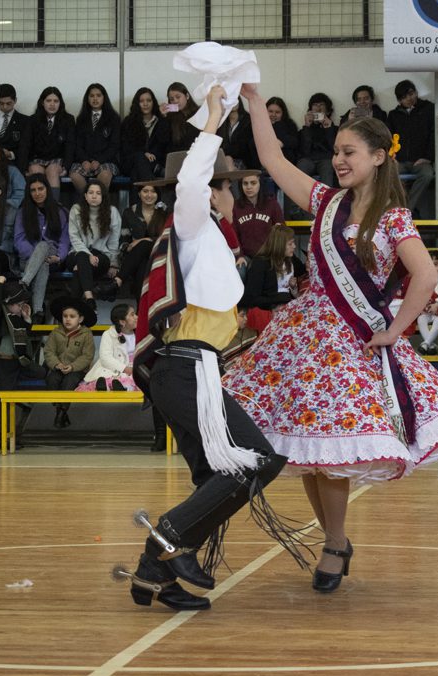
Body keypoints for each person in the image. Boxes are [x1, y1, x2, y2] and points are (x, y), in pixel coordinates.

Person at [224, 80, 438, 593]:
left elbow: (425, 276)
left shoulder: (393, 217)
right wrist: (254, 104)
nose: (339, 160)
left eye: (349, 152)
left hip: (352, 343)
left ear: (377, 157)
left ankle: (334, 541)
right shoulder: (324, 201)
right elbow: (272, 159)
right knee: (310, 453)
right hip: (306, 337)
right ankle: (336, 541)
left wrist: (395, 330)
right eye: (337, 151)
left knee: (331, 450)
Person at [129, 85, 303, 611]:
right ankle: (168, 538)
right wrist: (213, 117)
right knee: (258, 460)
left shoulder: (211, 241)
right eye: (224, 185)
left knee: (219, 474)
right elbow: (190, 181)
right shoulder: (190, 224)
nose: (230, 194)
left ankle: (154, 574)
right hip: (185, 371)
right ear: (207, 190)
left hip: (192, 372)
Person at [0, 277, 44, 445]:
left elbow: (26, 338)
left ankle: (23, 406)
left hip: (19, 362)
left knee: (43, 373)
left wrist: (27, 319)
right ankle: (2, 435)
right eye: (18, 304)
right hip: (3, 364)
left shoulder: (17, 318)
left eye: (23, 304)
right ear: (7, 303)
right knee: (5, 398)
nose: (21, 307)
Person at [15, 174, 70, 318]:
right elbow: (19, 240)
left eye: (41, 189)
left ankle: (24, 283)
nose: (37, 193)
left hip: (53, 259)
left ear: (47, 189)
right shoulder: (23, 212)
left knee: (44, 246)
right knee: (42, 257)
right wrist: (36, 256)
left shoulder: (61, 211)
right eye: (33, 190)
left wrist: (59, 257)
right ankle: (38, 310)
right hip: (28, 259)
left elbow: (65, 240)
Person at [240, 223, 305, 333]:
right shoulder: (260, 263)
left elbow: (304, 270)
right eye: (290, 244)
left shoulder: (291, 260)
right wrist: (278, 301)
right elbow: (251, 298)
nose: (294, 246)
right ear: (280, 245)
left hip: (288, 309)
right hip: (266, 311)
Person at [67, 179, 121, 309]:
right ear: (85, 196)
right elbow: (74, 237)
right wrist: (88, 255)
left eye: (98, 193)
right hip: (76, 252)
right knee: (81, 257)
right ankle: (89, 297)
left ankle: (74, 309)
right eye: (91, 193)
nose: (94, 196)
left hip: (101, 256)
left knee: (79, 269)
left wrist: (114, 264)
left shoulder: (112, 212)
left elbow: (114, 241)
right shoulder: (76, 209)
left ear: (103, 196)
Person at [386, 80, 436, 218]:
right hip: (399, 160)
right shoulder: (393, 115)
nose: (409, 98)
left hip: (421, 160)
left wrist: (428, 157)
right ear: (399, 100)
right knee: (387, 174)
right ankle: (400, 210)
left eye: (411, 94)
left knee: (427, 174)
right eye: (404, 97)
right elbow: (388, 139)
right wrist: (392, 158)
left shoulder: (428, 109)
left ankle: (406, 209)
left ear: (416, 93)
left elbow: (434, 135)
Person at [44, 296, 95, 429]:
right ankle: (60, 409)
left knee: (69, 382)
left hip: (77, 370)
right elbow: (49, 351)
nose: (67, 319)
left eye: (72, 316)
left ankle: (62, 411)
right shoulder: (56, 333)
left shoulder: (86, 334)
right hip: (58, 368)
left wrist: (72, 366)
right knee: (52, 380)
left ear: (80, 319)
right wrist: (57, 364)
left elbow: (87, 356)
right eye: (65, 316)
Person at [117, 181, 167, 299]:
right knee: (142, 266)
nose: (149, 195)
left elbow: (166, 237)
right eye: (145, 191)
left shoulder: (165, 212)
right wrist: (127, 247)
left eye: (153, 191)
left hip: (160, 253)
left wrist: (144, 240)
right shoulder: (129, 212)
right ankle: (141, 308)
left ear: (158, 194)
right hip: (137, 256)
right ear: (139, 194)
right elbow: (124, 239)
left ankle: (118, 280)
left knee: (144, 244)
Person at [26, 86, 75, 203]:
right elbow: (25, 144)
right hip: (37, 158)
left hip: (57, 159)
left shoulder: (68, 119)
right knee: (35, 171)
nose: (52, 104)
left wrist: (66, 167)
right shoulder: (33, 120)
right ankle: (37, 208)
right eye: (48, 101)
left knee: (52, 171)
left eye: (56, 101)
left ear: (60, 103)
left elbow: (70, 145)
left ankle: (53, 207)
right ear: (42, 102)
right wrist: (24, 167)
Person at [69, 83, 121, 194]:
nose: (95, 99)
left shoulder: (113, 118)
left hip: (106, 160)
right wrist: (84, 160)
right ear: (87, 98)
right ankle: (86, 201)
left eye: (98, 95)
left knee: (105, 175)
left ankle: (100, 203)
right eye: (92, 96)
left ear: (104, 98)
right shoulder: (81, 119)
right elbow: (77, 144)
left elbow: (114, 145)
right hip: (85, 161)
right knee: (74, 175)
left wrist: (99, 160)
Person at [79, 303, 138, 392]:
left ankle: (123, 387)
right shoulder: (108, 334)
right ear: (122, 322)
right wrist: (125, 369)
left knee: (135, 379)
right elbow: (105, 358)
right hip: (114, 366)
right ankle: (106, 386)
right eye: (132, 315)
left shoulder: (139, 333)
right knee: (107, 375)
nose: (136, 317)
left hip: (133, 366)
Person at [121, 87, 168, 183]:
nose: (145, 104)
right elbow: (126, 147)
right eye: (141, 101)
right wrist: (144, 154)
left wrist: (163, 118)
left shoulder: (160, 121)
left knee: (136, 172)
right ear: (137, 103)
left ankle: (144, 192)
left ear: (153, 102)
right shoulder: (129, 121)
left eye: (149, 100)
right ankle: (153, 189)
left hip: (153, 161)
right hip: (131, 161)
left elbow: (163, 143)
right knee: (139, 157)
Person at [233, 171, 283, 258]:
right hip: (245, 257)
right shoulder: (235, 206)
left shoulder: (272, 204)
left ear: (260, 184)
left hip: (269, 256)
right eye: (245, 183)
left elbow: (282, 232)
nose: (249, 187)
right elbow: (234, 234)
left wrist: (276, 254)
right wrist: (240, 256)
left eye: (253, 183)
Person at [0, 83, 30, 171]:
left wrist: (11, 154)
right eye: (1, 103)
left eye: (8, 103)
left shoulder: (25, 121)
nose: (5, 107)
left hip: (14, 166)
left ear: (15, 100)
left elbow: (25, 148)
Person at [296, 93, 337, 187]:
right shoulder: (305, 130)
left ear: (328, 112)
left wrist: (328, 128)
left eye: (321, 105)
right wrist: (307, 126)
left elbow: (335, 149)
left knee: (327, 167)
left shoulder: (335, 129)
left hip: (326, 159)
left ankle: (326, 196)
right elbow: (304, 151)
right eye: (315, 105)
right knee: (302, 165)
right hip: (308, 159)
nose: (318, 108)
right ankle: (298, 196)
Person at [161, 81, 200, 155]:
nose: (175, 101)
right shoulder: (170, 117)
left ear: (187, 96)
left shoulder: (198, 113)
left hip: (196, 154)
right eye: (172, 99)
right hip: (177, 156)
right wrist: (163, 117)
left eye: (178, 97)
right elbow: (164, 141)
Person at [265, 96, 300, 164]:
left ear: (283, 113)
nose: (273, 115)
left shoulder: (290, 124)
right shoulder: (259, 124)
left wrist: (277, 125)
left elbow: (295, 142)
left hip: (285, 161)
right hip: (265, 160)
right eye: (270, 111)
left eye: (277, 112)